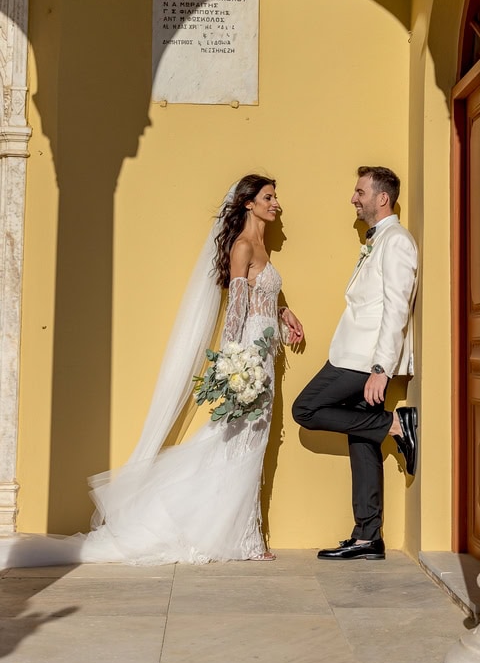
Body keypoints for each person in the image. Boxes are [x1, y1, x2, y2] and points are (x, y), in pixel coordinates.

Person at [0, 175, 303, 567]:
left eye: (275, 197)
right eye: (269, 197)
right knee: (238, 445)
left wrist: (283, 313)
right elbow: (236, 315)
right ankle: (239, 538)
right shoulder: (244, 246)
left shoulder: (261, 245)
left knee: (250, 444)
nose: (276, 203)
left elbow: (261, 299)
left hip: (262, 358)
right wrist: (233, 365)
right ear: (249, 203)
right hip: (248, 362)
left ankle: (243, 536)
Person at [292, 166, 418, 561]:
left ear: (382, 198)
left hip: (364, 358)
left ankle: (395, 424)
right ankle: (368, 536)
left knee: (306, 408)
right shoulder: (378, 240)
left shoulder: (396, 241)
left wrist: (381, 368)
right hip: (360, 354)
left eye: (360, 191)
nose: (354, 198)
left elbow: (397, 307)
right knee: (361, 440)